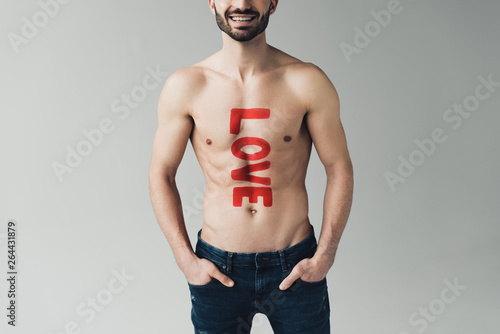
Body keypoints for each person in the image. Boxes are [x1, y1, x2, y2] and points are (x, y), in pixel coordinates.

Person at [148, 0, 353, 333]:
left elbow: (339, 167)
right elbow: (161, 174)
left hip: (295, 266)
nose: (241, 4)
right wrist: (185, 259)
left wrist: (325, 255)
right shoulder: (187, 85)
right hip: (217, 270)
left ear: (273, 2)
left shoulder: (306, 81)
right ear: (212, 2)